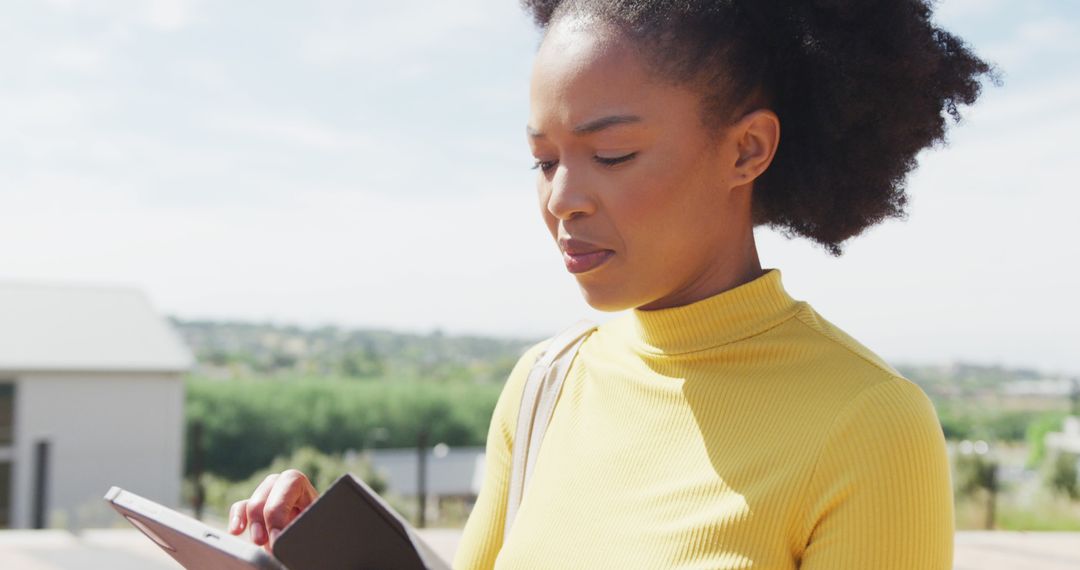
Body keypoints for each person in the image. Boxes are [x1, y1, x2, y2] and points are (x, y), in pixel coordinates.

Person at [228, 0, 995, 568]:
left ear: (747, 150)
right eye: (545, 160)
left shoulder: (869, 425)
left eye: (613, 155)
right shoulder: (544, 386)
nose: (563, 198)